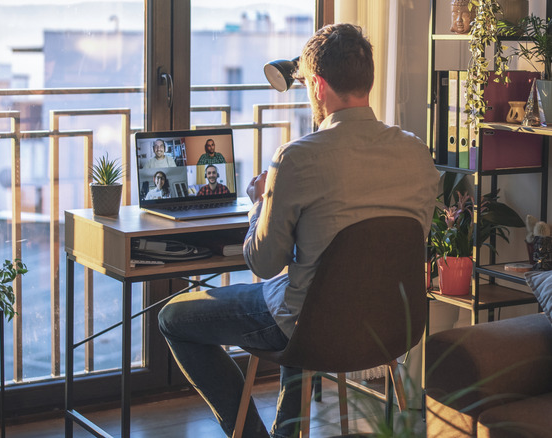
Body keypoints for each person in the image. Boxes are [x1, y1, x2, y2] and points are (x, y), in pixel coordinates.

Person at [158, 23, 439, 438]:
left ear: (319, 86)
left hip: (311, 325)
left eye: (307, 84)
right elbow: (397, 245)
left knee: (173, 317)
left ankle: (252, 435)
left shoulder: (297, 158)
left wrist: (259, 204)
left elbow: (264, 261)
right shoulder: (417, 153)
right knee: (309, 289)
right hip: (391, 324)